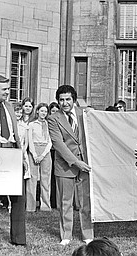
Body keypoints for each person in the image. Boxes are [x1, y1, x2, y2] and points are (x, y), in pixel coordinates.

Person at [48, 85, 94, 245]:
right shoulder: (53, 118)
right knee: (65, 202)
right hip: (65, 165)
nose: (65, 103)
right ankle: (66, 235)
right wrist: (76, 162)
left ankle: (87, 234)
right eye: (61, 100)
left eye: (68, 99)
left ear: (74, 99)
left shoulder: (85, 114)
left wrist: (85, 161)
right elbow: (58, 144)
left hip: (86, 164)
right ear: (57, 101)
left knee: (85, 202)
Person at [0, 75, 26, 251]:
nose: (7, 92)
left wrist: (21, 155)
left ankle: (18, 239)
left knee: (19, 196)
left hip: (12, 152)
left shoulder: (9, 106)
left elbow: (15, 133)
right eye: (4, 89)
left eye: (8, 88)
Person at [27, 103, 52, 212]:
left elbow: (50, 142)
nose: (43, 113)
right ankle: (30, 206)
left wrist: (42, 155)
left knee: (45, 180)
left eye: (45, 112)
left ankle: (45, 206)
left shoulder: (49, 124)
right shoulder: (32, 124)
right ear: (37, 111)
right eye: (42, 111)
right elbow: (30, 141)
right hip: (34, 150)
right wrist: (34, 154)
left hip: (45, 151)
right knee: (32, 179)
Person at [48, 102, 60, 209]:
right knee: (51, 178)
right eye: (53, 111)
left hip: (59, 152)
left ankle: (57, 202)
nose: (55, 113)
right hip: (50, 151)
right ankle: (52, 202)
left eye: (57, 111)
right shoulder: (49, 122)